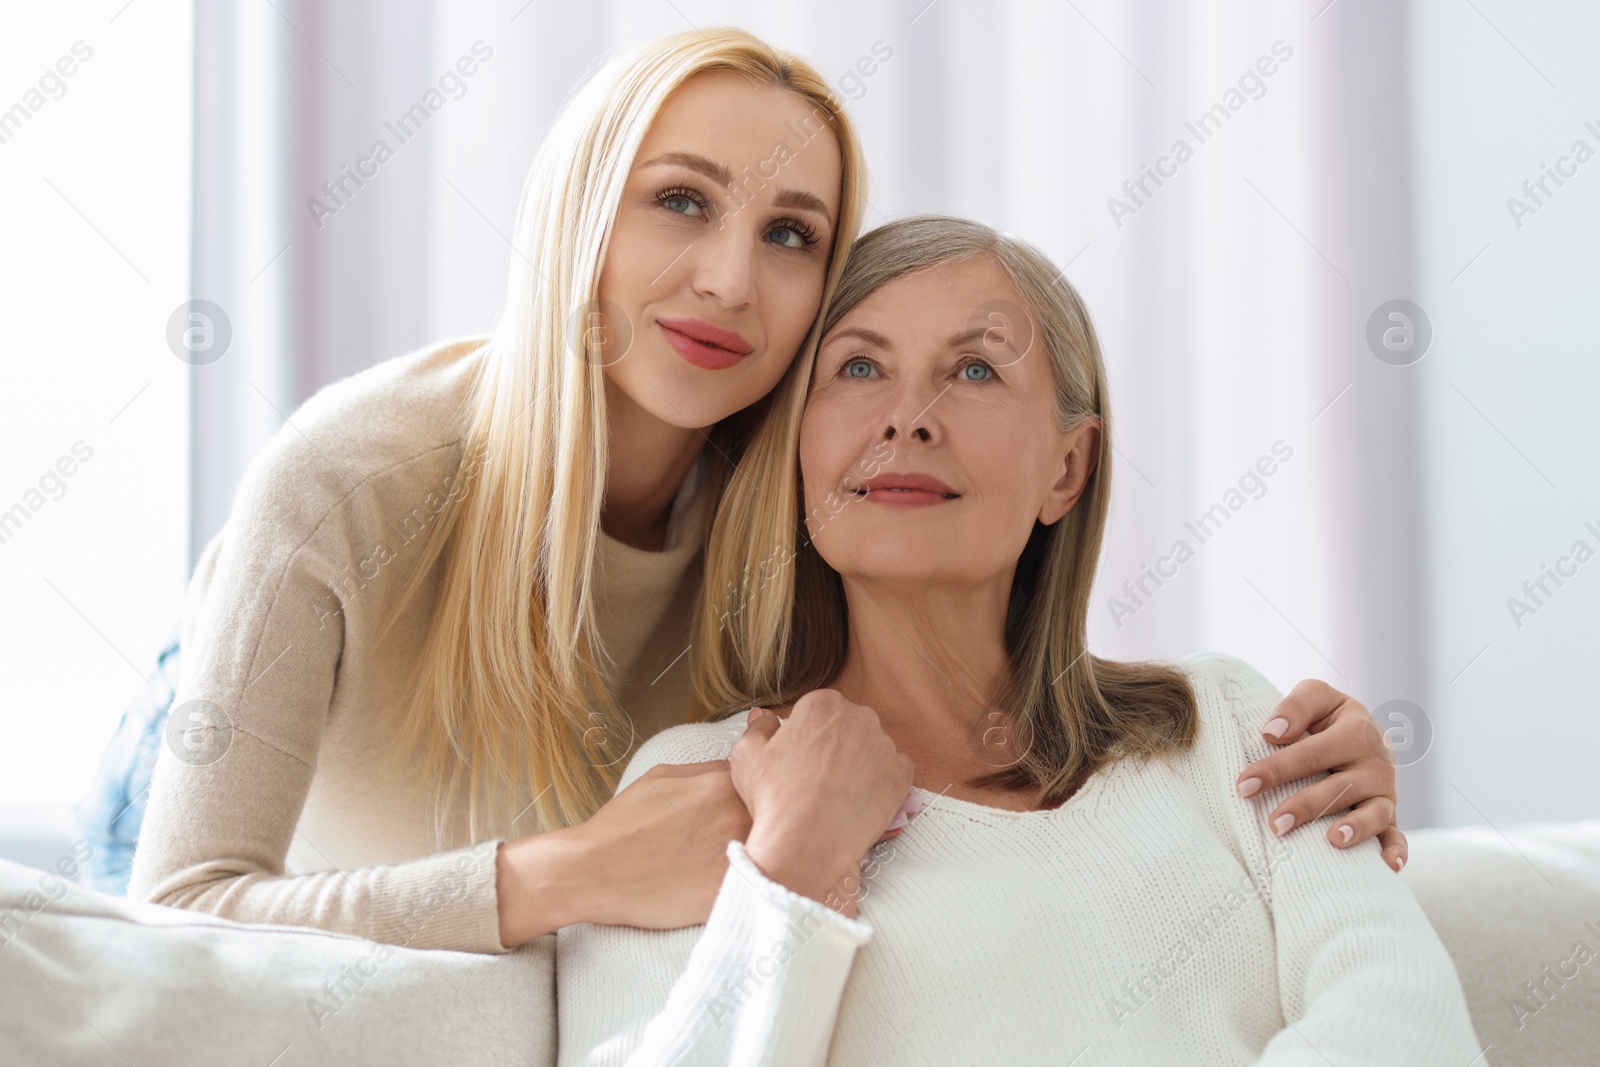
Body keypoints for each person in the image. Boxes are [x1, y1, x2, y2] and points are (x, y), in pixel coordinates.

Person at [119, 28, 1402, 959]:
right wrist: (567, 873)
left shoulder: (796, 482)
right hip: (222, 775)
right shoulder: (352, 476)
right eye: (680, 201)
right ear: (580, 217)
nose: (731, 280)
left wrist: (1276, 752)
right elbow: (176, 909)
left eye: (791, 233)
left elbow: (979, 678)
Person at [554, 216, 1482, 1065]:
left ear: (1067, 468)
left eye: (975, 369)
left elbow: (1413, 1031)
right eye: (860, 367)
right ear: (797, 448)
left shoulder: (1231, 725)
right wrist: (791, 870)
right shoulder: (700, 787)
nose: (907, 417)